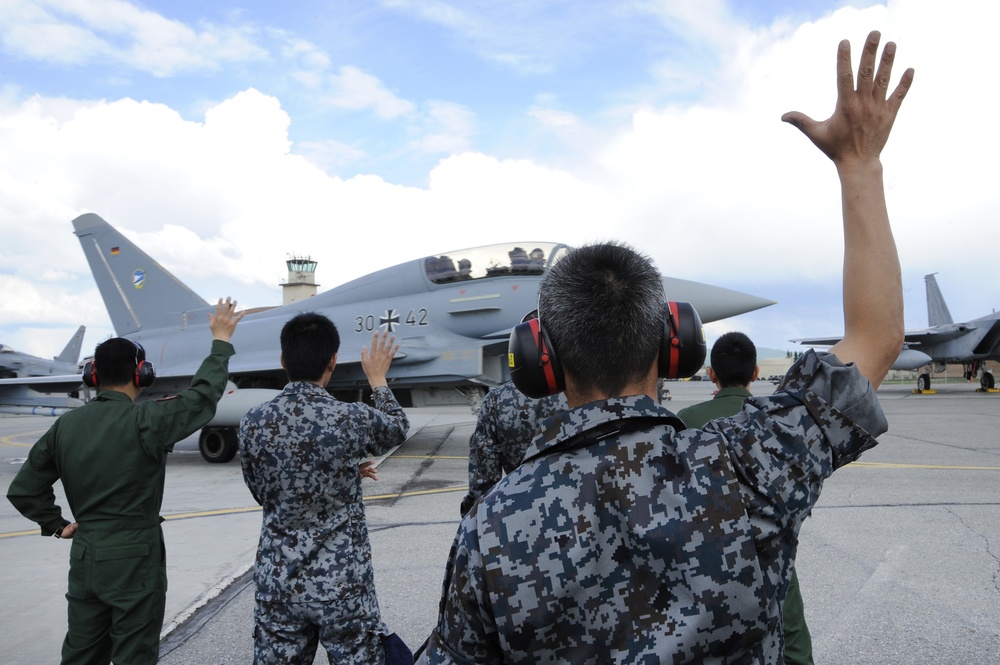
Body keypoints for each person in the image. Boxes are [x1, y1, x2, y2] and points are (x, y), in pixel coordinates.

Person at [418, 30, 911, 664]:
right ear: (674, 344)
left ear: (543, 359)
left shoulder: (492, 527)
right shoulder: (747, 465)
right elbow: (877, 338)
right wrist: (859, 163)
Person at [6, 297, 245, 665]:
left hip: (85, 552)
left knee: (81, 654)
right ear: (142, 374)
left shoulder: (65, 426)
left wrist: (57, 525)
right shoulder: (147, 420)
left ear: (93, 376)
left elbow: (23, 490)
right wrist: (221, 342)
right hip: (135, 556)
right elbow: (202, 397)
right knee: (134, 655)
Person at [239, 313, 410, 665]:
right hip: (343, 584)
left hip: (279, 581)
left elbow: (264, 494)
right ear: (333, 360)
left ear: (283, 361)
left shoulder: (253, 421)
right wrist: (377, 379)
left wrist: (338, 476)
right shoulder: (351, 418)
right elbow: (397, 429)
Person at [678, 332, 814, 665]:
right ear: (755, 374)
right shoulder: (775, 421)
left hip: (705, 563)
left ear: (712, 373)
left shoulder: (685, 420)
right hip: (770, 551)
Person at [459, 381, 567, 516]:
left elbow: (483, 484)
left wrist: (469, 517)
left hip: (522, 515)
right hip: (578, 513)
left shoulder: (497, 399)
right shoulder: (580, 392)